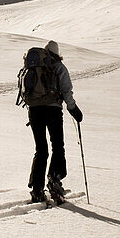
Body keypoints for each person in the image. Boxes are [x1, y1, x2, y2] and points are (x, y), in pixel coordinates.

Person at [28, 40, 83, 203]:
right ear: (57, 53)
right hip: (53, 110)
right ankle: (54, 180)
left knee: (41, 150)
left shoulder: (32, 65)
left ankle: (37, 189)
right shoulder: (59, 67)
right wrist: (73, 109)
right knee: (57, 146)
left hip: (34, 110)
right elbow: (66, 90)